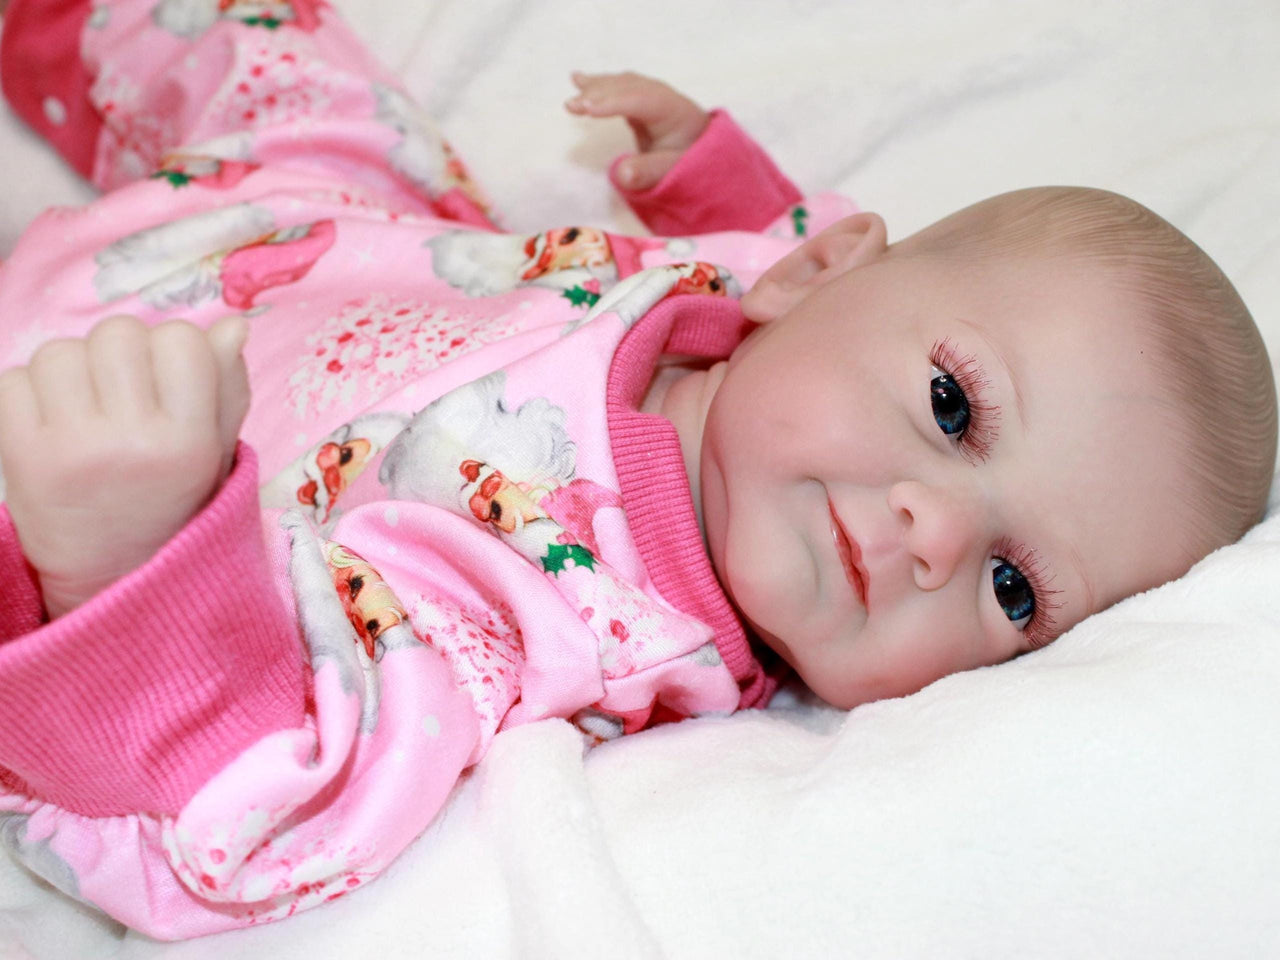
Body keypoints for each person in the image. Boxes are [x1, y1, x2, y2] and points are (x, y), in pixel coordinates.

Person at [0, 0, 1274, 940]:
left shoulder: (584, 627)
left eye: (1010, 588)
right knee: (299, 80)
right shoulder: (768, 307)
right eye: (950, 407)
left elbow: (274, 811)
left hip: (99, 417)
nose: (933, 532)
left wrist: (127, 556)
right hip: (334, 239)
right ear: (815, 281)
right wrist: (705, 182)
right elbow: (814, 243)